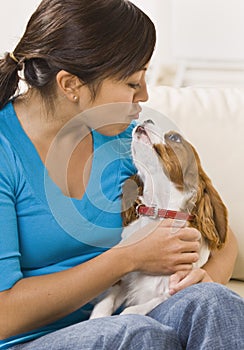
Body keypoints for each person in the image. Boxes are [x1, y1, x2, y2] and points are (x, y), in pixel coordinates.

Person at [0, 0, 243, 349]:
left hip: (126, 315)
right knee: (138, 335)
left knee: (215, 302)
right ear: (70, 85)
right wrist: (130, 256)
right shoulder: (6, 151)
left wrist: (203, 279)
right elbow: (4, 315)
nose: (145, 95)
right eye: (132, 83)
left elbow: (222, 236)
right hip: (35, 340)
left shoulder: (126, 140)